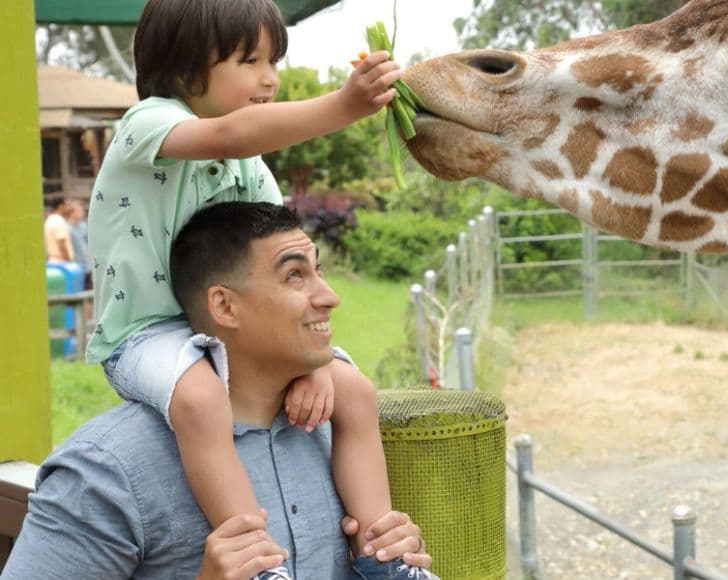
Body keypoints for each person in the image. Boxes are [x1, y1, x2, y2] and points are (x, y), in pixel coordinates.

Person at [81, 1, 420, 578]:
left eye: (274, 60)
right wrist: (344, 105)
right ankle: (258, 561)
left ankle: (385, 557)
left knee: (354, 392)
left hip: (232, 329)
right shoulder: (147, 122)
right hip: (145, 337)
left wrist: (307, 362)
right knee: (199, 397)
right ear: (186, 69)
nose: (270, 78)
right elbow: (233, 134)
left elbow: (275, 266)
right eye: (250, 60)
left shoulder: (251, 171)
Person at [3, 201, 434, 579]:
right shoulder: (107, 471)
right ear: (225, 306)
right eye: (295, 276)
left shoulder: (333, 431)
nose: (330, 297)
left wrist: (381, 557)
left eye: (317, 270)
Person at [43, 196, 74, 263]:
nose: (68, 208)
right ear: (61, 206)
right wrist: (68, 262)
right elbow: (61, 242)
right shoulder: (59, 221)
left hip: (52, 261)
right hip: (61, 263)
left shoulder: (49, 219)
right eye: (66, 205)